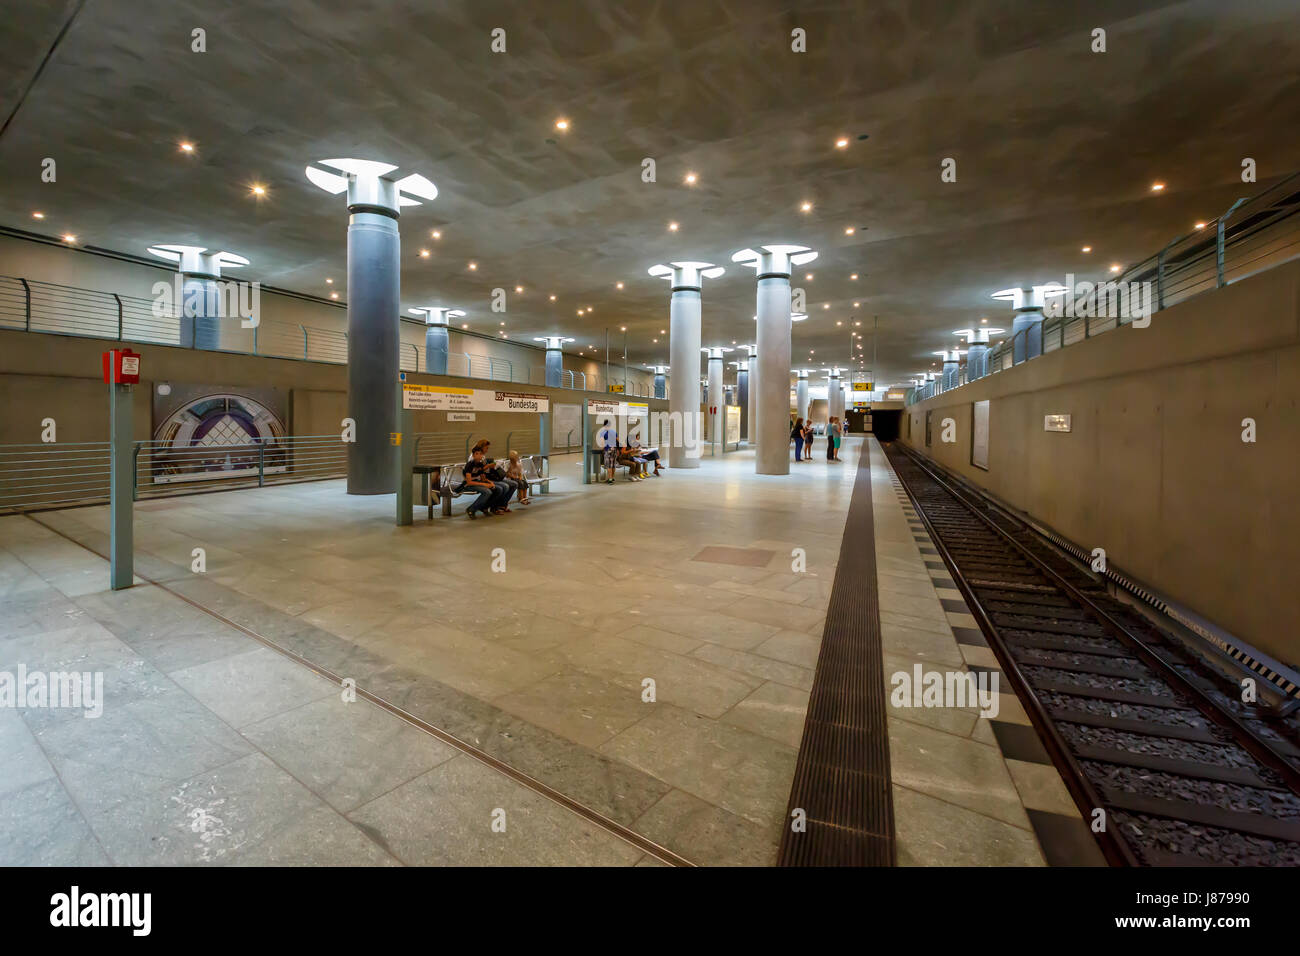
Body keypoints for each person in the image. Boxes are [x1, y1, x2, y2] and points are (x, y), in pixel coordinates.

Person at [461, 445, 505, 518]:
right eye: (477, 454)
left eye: (481, 454)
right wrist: (485, 485)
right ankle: (471, 509)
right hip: (467, 485)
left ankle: (484, 507)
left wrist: (490, 483)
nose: (479, 456)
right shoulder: (470, 465)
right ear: (473, 455)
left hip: (477, 482)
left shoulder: (480, 464)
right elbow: (469, 482)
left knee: (498, 489)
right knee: (487, 492)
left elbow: (483, 479)